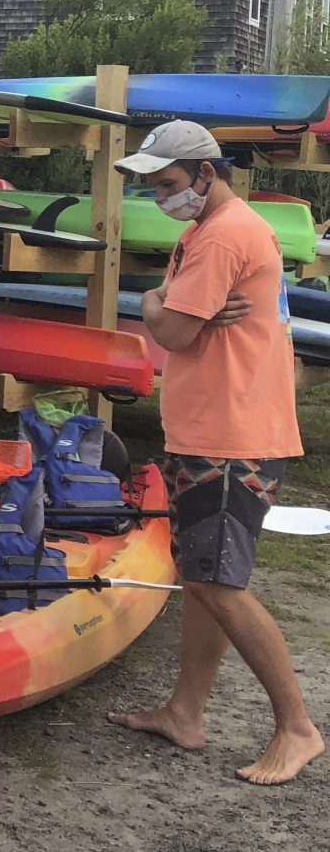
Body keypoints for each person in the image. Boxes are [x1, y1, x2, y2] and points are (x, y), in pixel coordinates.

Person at [105, 120, 322, 785]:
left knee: (216, 583)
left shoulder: (225, 233)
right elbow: (171, 320)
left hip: (233, 438)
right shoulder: (206, 230)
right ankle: (185, 712)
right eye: (153, 186)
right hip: (210, 430)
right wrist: (159, 302)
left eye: (167, 184)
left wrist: (153, 305)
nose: (161, 196)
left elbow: (173, 330)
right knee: (202, 580)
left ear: (206, 171)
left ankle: (297, 727)